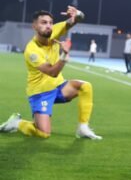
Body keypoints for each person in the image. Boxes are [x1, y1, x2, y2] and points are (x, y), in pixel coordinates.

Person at [0, 8, 102, 140]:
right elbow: (52, 72)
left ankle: (83, 128)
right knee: (43, 134)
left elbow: (79, 18)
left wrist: (77, 14)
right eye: (43, 22)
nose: (48, 25)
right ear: (35, 26)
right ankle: (16, 123)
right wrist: (64, 54)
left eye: (50, 22)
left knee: (85, 86)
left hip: (59, 86)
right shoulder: (32, 51)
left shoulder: (54, 30)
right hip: (40, 93)